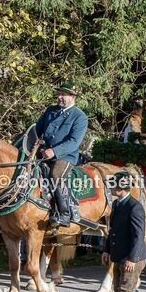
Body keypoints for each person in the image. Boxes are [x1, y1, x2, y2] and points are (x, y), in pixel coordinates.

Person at [101, 171, 146, 292]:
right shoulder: (118, 204)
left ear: (121, 188)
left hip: (133, 257)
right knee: (120, 289)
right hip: (120, 254)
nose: (110, 188)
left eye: (113, 185)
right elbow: (113, 231)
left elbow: (138, 236)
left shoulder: (135, 207)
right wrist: (107, 250)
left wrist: (132, 259)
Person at [36, 82, 88, 227]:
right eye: (58, 94)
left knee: (55, 175)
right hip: (44, 152)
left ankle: (64, 213)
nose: (59, 97)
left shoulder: (80, 117)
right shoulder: (51, 111)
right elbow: (36, 130)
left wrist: (54, 151)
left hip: (65, 156)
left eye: (62, 94)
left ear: (73, 96)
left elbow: (74, 142)